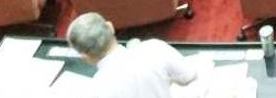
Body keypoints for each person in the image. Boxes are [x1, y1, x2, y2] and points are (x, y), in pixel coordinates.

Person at [66, 12, 198, 97]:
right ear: (110, 27)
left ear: (84, 56)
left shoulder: (96, 89)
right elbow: (189, 75)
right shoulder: (154, 48)